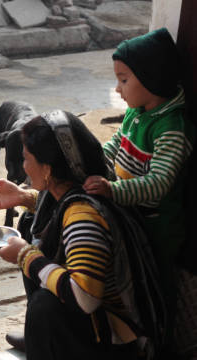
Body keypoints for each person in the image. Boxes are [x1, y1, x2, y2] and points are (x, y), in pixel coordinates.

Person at [0, 110, 160, 360]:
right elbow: (48, 208)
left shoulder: (83, 216)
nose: (23, 167)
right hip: (102, 338)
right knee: (32, 226)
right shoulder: (73, 190)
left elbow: (85, 298)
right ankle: (44, 344)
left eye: (27, 159)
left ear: (48, 167)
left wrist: (25, 256)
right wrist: (22, 197)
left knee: (45, 302)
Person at [82, 28, 194, 338]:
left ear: (151, 77)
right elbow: (114, 145)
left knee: (150, 289)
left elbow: (158, 183)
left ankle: (152, 341)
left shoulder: (172, 128)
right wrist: (92, 164)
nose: (117, 89)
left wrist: (112, 190)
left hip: (156, 230)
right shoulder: (136, 113)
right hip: (131, 215)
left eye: (124, 79)